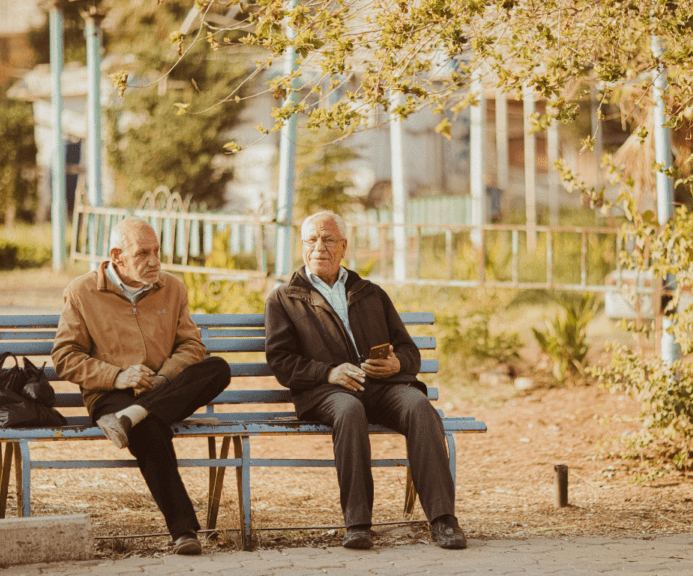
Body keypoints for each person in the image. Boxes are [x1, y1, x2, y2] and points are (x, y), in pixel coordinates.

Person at [264, 210, 467, 550]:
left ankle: (443, 519)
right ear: (302, 246)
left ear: (343, 246)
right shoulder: (284, 298)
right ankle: (357, 524)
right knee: (349, 411)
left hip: (381, 388)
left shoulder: (369, 292)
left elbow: (409, 351)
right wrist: (329, 372)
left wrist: (395, 363)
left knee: (419, 407)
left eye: (328, 239)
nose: (319, 247)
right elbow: (282, 362)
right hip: (325, 391)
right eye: (311, 240)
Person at [51, 217, 230, 556]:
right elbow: (65, 356)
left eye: (157, 252)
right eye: (143, 253)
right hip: (110, 395)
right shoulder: (82, 291)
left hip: (162, 387)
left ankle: (135, 415)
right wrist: (117, 376)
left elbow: (192, 346)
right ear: (117, 256)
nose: (154, 262)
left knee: (218, 368)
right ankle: (184, 531)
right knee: (150, 430)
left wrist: (163, 378)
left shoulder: (172, 288)